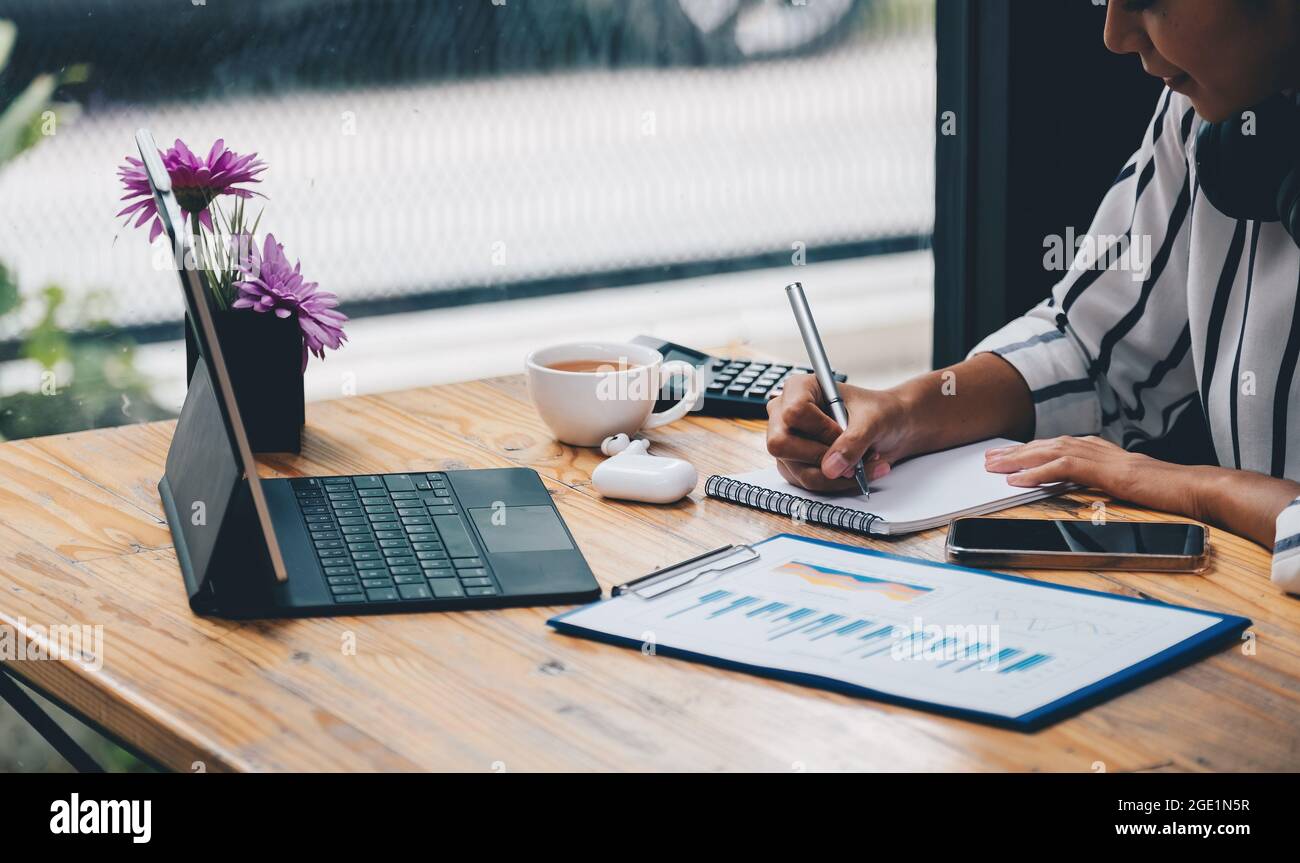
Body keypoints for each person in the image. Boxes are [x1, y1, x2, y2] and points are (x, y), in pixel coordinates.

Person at [765, 0, 1300, 591]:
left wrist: (1203, 488)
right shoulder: (1206, 111)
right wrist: (904, 412)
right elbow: (1091, 350)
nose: (1116, 37)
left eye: (1148, 1)